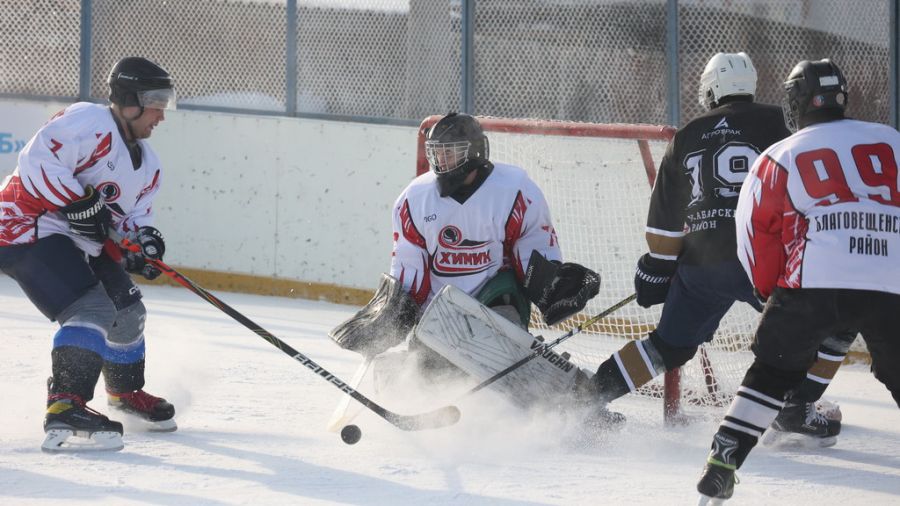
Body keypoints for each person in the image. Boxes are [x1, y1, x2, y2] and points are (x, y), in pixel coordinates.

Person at [582, 52, 848, 438]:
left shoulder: (688, 134)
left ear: (711, 89)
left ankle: (587, 397)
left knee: (668, 346)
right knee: (832, 330)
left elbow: (665, 217)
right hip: (763, 260)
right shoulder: (780, 123)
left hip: (702, 263)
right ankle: (795, 407)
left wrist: (658, 265)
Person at [696, 59, 900, 503]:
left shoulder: (779, 155)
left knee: (770, 374)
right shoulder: (892, 140)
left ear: (796, 103)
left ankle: (724, 458)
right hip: (890, 279)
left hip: (813, 280)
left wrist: (769, 289)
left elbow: (754, 232)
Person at [330, 112, 603, 414]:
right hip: (440, 315)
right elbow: (410, 273)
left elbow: (533, 251)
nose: (442, 162)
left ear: (474, 151)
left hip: (495, 302)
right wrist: (387, 320)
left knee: (511, 364)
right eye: (436, 153)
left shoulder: (514, 189)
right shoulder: (414, 199)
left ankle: (575, 407)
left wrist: (552, 286)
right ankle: (395, 373)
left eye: (450, 152)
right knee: (422, 377)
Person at [0, 57, 178, 452]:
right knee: (92, 310)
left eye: (166, 102)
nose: (161, 114)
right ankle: (65, 405)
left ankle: (124, 393)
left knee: (128, 311)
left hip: (77, 240)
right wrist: (79, 200)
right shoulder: (88, 122)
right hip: (25, 227)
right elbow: (37, 163)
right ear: (128, 99)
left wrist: (142, 244)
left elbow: (133, 220)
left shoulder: (149, 166)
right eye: (155, 102)